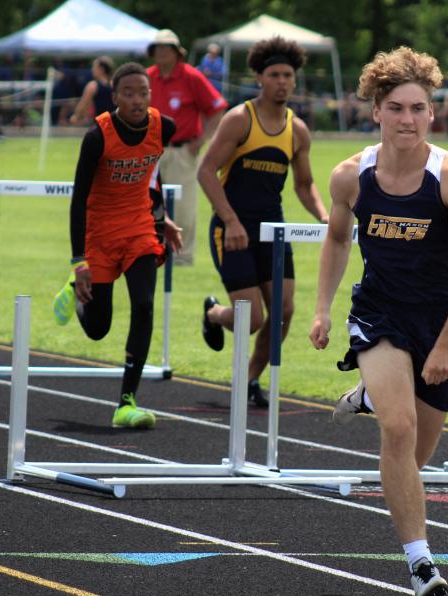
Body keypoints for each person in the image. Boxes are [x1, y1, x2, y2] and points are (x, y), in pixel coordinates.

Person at [309, 47, 448, 596]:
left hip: (442, 321)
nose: (407, 119)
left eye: (418, 108)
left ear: (432, 113)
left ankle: (368, 393)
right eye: (396, 108)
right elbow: (338, 239)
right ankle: (419, 561)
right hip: (380, 315)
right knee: (399, 429)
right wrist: (321, 308)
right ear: (376, 112)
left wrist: (446, 345)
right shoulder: (351, 176)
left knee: (412, 459)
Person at [198, 37, 328, 408]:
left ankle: (249, 380)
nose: (282, 82)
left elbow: (304, 184)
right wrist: (231, 220)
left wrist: (323, 214)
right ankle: (212, 313)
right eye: (274, 75)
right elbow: (206, 172)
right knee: (251, 318)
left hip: (274, 228)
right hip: (232, 229)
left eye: (288, 75)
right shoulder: (240, 119)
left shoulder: (297, 130)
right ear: (259, 78)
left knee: (284, 312)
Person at [51, 62, 183, 429]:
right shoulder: (97, 136)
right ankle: (76, 293)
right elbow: (78, 200)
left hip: (140, 228)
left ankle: (126, 401)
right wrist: (79, 261)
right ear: (115, 98)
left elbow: (155, 174)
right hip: (99, 234)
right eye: (129, 93)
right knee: (98, 329)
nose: (137, 100)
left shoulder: (163, 127)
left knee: (143, 305)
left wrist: (162, 220)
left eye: (143, 92)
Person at [147, 29, 228, 266]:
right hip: (150, 149)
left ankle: (182, 255)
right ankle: (150, 253)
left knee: (182, 205)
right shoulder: (147, 76)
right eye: (158, 48)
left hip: (182, 150)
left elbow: (217, 108)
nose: (161, 52)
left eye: (166, 48)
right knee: (147, 201)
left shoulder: (191, 76)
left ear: (176, 52)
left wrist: (200, 141)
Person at [70, 56, 115, 125]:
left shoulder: (93, 86)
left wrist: (76, 117)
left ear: (101, 69)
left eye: (94, 67)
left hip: (101, 125)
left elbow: (83, 105)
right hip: (115, 124)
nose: (92, 70)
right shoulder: (115, 85)